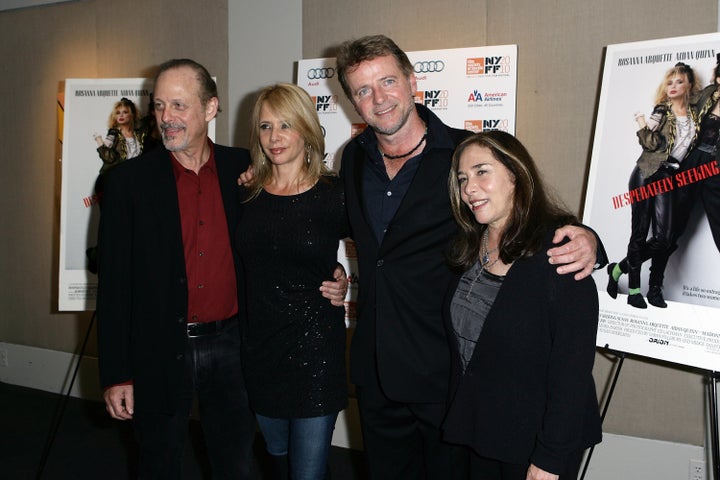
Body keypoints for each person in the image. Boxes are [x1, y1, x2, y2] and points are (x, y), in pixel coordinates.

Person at [334, 34, 604, 479]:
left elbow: (525, 209)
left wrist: (589, 238)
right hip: (375, 371)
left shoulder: (463, 155)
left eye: (387, 82)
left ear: (412, 81)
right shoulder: (352, 160)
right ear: (352, 102)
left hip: (445, 376)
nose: (378, 99)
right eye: (363, 90)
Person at [96, 59, 347, 478]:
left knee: (236, 463)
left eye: (179, 105)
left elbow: (286, 236)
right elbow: (114, 286)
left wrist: (336, 273)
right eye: (159, 106)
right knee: (158, 462)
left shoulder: (244, 171)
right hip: (159, 348)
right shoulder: (127, 183)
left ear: (210, 108)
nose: (166, 118)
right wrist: (117, 373)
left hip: (235, 346)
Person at [442, 131, 602, 480]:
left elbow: (571, 374)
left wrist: (550, 459)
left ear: (515, 175)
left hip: (535, 442)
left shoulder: (560, 253)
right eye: (463, 178)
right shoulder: (468, 246)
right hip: (479, 431)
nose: (470, 188)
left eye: (482, 172)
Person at [236, 83, 349, 480]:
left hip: (316, 349)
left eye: (285, 125)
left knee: (307, 472)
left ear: (306, 129)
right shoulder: (246, 193)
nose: (274, 137)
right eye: (265, 127)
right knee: (277, 456)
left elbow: (382, 249)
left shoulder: (335, 194)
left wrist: (345, 278)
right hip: (261, 348)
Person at [606, 62, 699, 309]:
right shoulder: (662, 110)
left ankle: (618, 269)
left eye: (679, 81)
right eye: (670, 82)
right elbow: (649, 143)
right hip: (647, 173)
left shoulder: (694, 115)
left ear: (689, 85)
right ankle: (636, 290)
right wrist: (641, 123)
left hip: (669, 177)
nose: (673, 86)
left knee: (664, 238)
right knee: (640, 232)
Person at [671, 54, 720, 252]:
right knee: (673, 225)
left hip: (715, 168)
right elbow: (681, 104)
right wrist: (683, 72)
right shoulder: (706, 95)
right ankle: (624, 269)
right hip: (692, 161)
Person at [94, 97, 147, 173]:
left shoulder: (139, 134)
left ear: (132, 115)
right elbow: (108, 158)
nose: (121, 115)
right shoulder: (113, 133)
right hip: (117, 176)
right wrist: (98, 140)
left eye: (125, 112)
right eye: (118, 113)